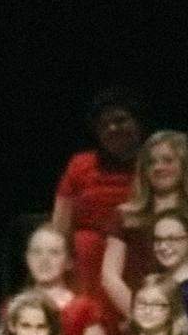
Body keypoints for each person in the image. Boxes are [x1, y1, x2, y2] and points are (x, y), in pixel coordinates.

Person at [100, 129, 188, 306]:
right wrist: (140, 314)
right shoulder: (125, 216)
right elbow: (109, 277)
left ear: (184, 166)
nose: (158, 167)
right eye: (152, 162)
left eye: (168, 160)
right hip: (142, 318)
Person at [49, 87, 145, 295]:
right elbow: (59, 228)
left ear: (137, 123)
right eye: (103, 125)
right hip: (86, 268)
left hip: (137, 262)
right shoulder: (81, 164)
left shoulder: (153, 164)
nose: (112, 128)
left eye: (120, 120)